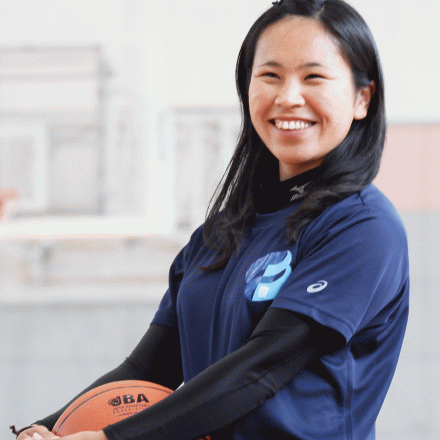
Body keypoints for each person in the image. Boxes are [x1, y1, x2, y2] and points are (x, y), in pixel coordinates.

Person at [13, 1, 409, 439]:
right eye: (270, 75)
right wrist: (42, 430)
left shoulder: (363, 228)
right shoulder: (220, 234)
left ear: (362, 98)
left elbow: (260, 368)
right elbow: (147, 370)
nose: (288, 97)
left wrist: (114, 438)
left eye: (313, 77)